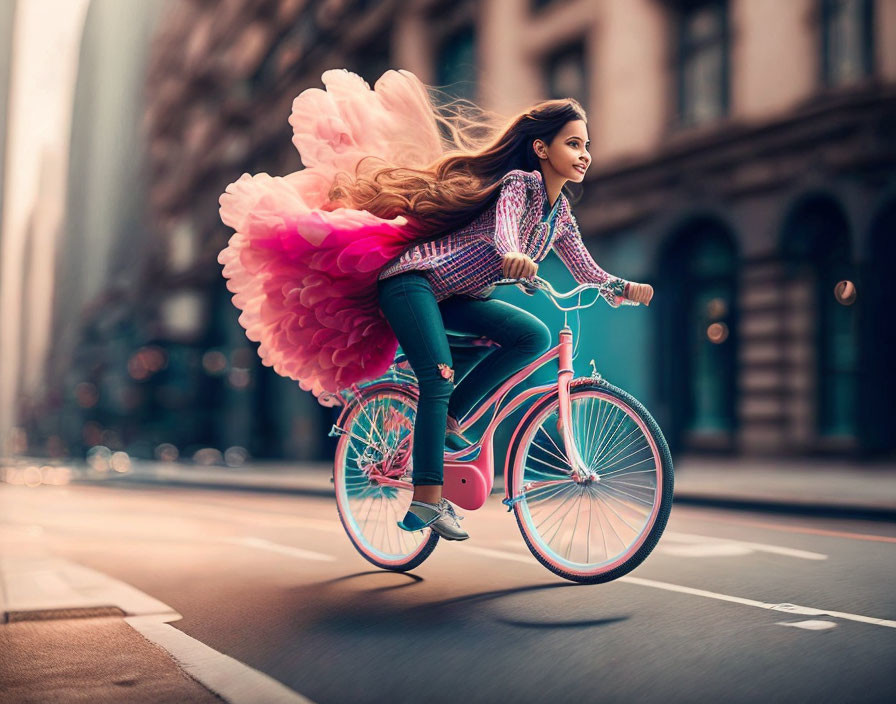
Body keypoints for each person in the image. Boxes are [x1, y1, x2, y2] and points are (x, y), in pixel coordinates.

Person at [217, 69, 653, 542]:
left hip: (453, 296)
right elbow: (504, 228)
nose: (583, 154)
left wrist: (622, 286)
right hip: (411, 284)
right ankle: (425, 501)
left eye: (586, 145)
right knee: (438, 375)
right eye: (572, 143)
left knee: (534, 336)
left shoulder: (561, 215)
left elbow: (585, 269)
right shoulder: (517, 185)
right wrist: (512, 254)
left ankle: (446, 420)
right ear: (541, 148)